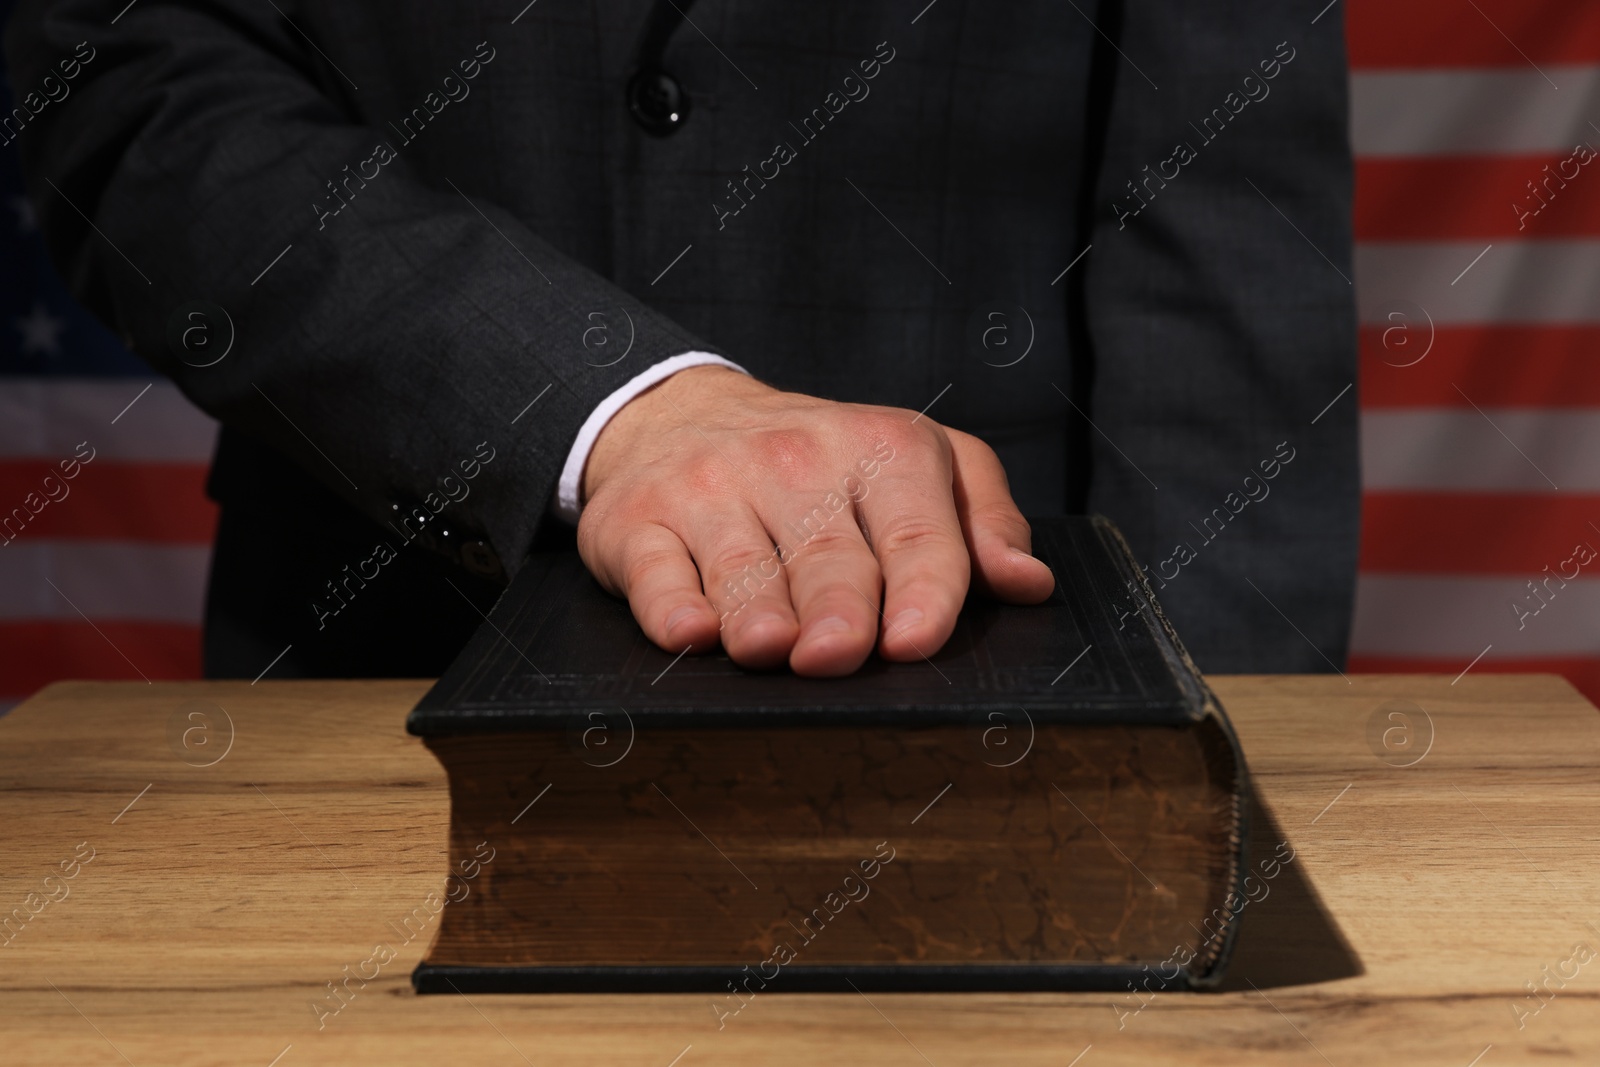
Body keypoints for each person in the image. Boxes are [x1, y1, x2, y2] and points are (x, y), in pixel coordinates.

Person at [4, 0, 1359, 680]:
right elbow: (128, 78)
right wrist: (609, 403)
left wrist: (1197, 787)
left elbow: (1224, 217)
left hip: (999, 688)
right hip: (376, 649)